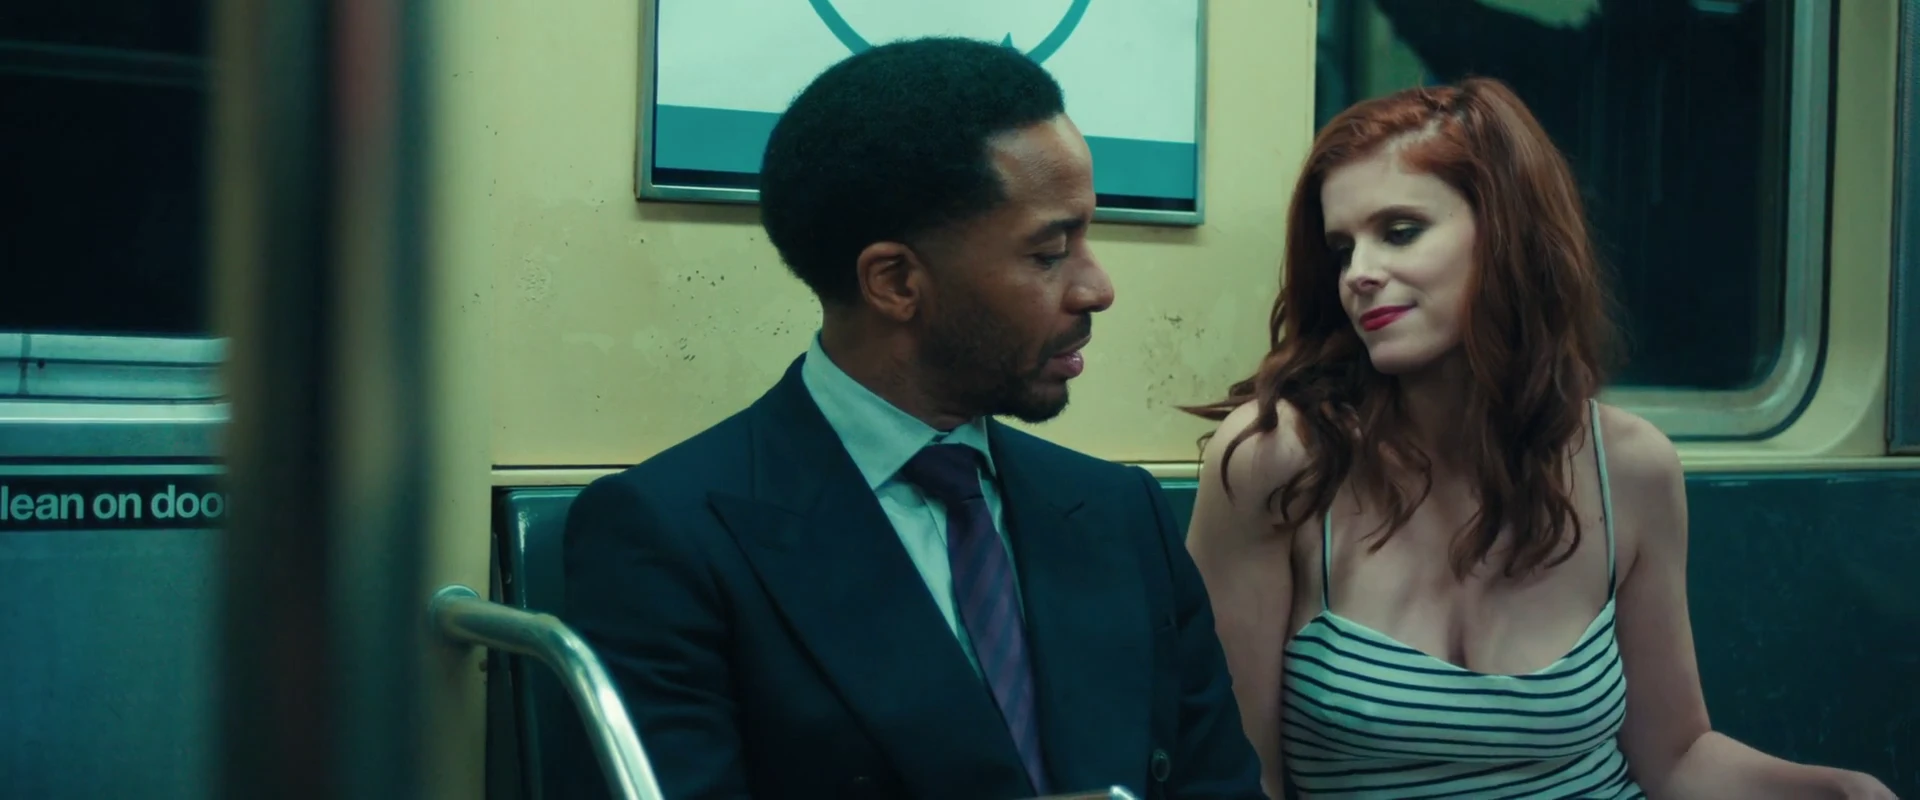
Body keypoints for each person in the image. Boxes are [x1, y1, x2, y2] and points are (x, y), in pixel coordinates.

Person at [560, 36, 1265, 800]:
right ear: (896, 282)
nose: (1097, 288)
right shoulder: (671, 538)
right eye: (1049, 254)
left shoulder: (1120, 514)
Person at [1181, 78, 1897, 799]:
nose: (1359, 275)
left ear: (1507, 238)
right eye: (1342, 249)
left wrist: (1842, 791)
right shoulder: (1280, 462)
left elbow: (1676, 757)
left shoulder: (1632, 469)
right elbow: (1238, 779)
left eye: (1400, 232)